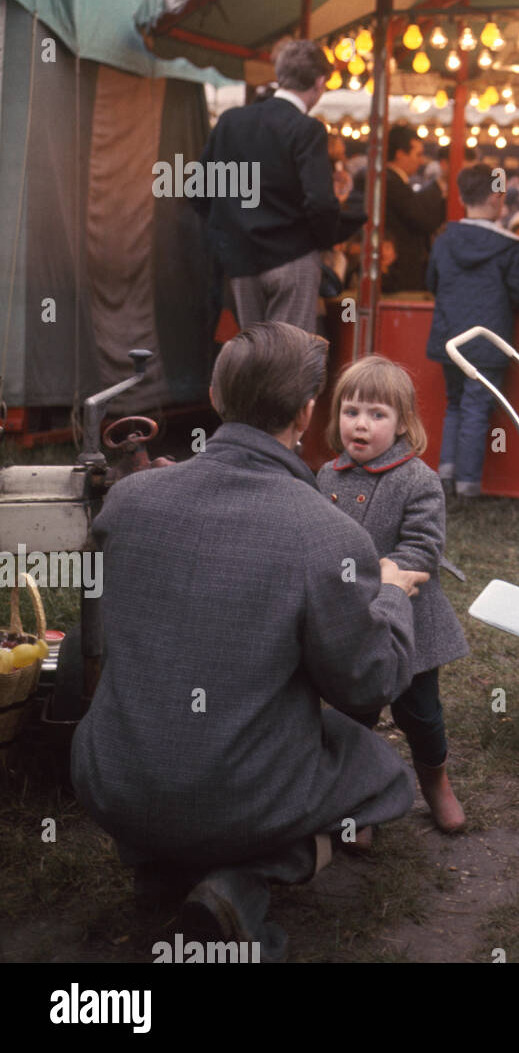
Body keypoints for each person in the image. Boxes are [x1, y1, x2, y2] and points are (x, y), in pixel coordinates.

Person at [71, 323, 424, 960]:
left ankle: (164, 862)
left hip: (111, 781)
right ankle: (239, 884)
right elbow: (368, 684)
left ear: (213, 392)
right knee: (384, 778)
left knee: (190, 763)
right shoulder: (328, 534)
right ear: (307, 412)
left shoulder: (126, 502)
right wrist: (392, 593)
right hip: (233, 793)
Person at [317, 354, 471, 831]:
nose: (360, 425)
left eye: (377, 414)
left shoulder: (417, 479)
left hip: (411, 626)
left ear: (403, 422)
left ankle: (435, 782)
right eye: (351, 411)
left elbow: (423, 547)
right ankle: (358, 803)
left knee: (420, 714)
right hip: (350, 626)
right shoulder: (328, 476)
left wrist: (388, 574)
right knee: (353, 716)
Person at [194, 41, 363, 333]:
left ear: (281, 74)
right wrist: (321, 244)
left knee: (256, 357)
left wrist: (230, 234)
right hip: (292, 257)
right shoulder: (307, 129)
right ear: (320, 82)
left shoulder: (231, 121)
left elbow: (198, 191)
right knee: (289, 357)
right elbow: (320, 203)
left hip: (242, 261)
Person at [425, 164, 519, 497]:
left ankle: (446, 474)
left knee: (454, 404)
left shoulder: (444, 240)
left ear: (460, 196)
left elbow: (431, 282)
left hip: (449, 336)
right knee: (476, 408)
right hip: (489, 338)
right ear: (497, 197)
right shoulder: (510, 246)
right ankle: (468, 484)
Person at [382, 125, 446, 293]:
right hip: (401, 271)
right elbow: (422, 221)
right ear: (400, 154)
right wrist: (445, 196)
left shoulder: (393, 181)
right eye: (417, 154)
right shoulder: (392, 183)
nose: (421, 161)